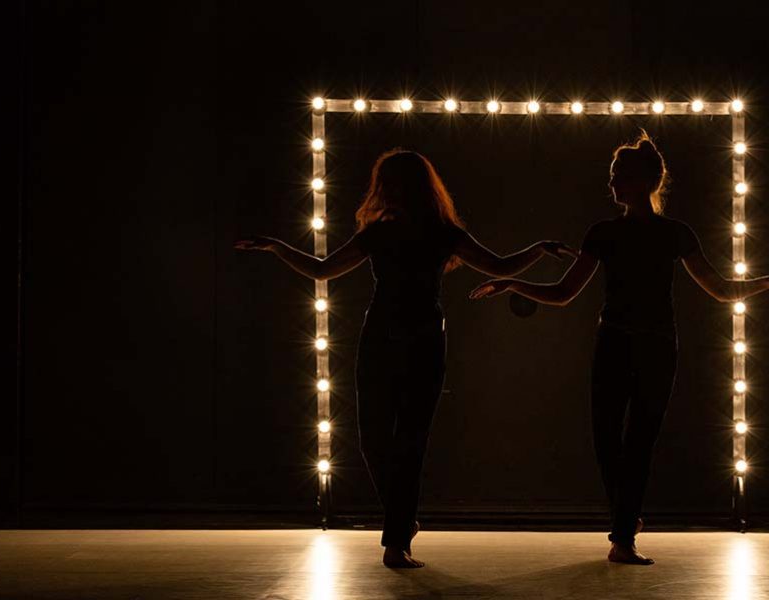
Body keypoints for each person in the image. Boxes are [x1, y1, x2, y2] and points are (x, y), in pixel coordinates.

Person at [470, 133, 769, 565]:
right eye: (611, 175)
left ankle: (623, 535)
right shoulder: (604, 233)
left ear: (643, 182)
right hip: (616, 343)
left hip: (652, 347)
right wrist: (514, 282)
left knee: (637, 442)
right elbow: (563, 293)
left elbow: (721, 289)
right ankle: (626, 524)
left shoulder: (673, 234)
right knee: (609, 441)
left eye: (619, 176)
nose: (611, 183)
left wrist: (767, 282)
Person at [236, 149, 575, 568]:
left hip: (418, 340)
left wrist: (537, 251)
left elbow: (496, 264)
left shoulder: (439, 232)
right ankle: (402, 522)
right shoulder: (383, 233)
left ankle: (396, 541)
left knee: (406, 441)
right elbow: (323, 269)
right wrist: (277, 247)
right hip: (388, 339)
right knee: (375, 440)